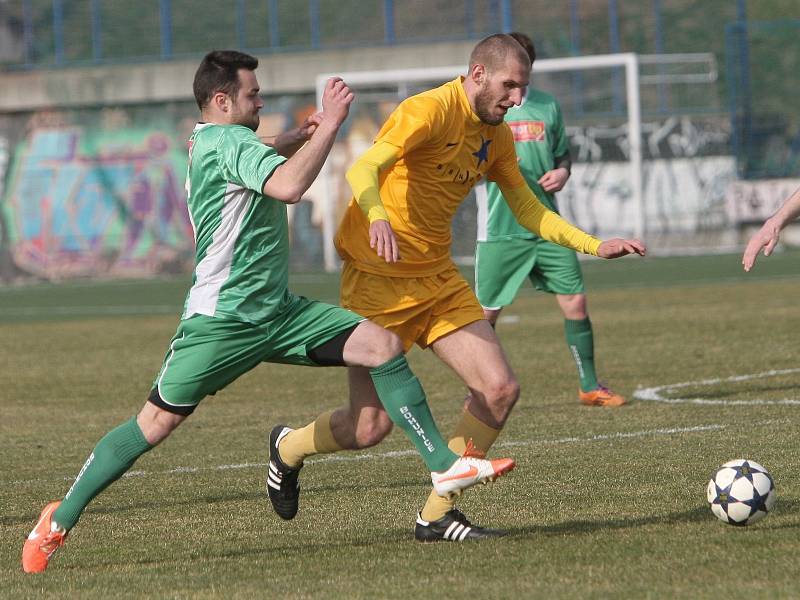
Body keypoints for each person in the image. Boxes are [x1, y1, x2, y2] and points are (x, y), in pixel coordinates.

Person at [21, 50, 514, 573]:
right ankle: (58, 518)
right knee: (153, 425)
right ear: (222, 99)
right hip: (223, 322)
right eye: (253, 95)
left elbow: (260, 151)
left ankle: (443, 466)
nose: (261, 101)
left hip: (279, 312)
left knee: (381, 344)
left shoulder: (208, 138)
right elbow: (289, 187)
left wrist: (297, 137)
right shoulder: (228, 142)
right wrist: (332, 125)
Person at [268, 34, 645, 543]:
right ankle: (289, 448)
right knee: (367, 428)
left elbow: (530, 208)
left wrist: (593, 245)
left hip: (438, 278)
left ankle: (437, 514)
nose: (516, 99)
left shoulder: (499, 137)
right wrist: (377, 216)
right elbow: (364, 167)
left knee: (499, 389)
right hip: (378, 280)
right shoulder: (427, 110)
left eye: (523, 88)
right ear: (478, 74)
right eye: (509, 86)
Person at [474, 32, 625, 407]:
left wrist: (562, 174)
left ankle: (589, 384)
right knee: (484, 315)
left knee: (575, 302)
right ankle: (477, 389)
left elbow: (563, 156)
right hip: (501, 229)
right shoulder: (486, 110)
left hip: (546, 224)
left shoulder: (548, 106)